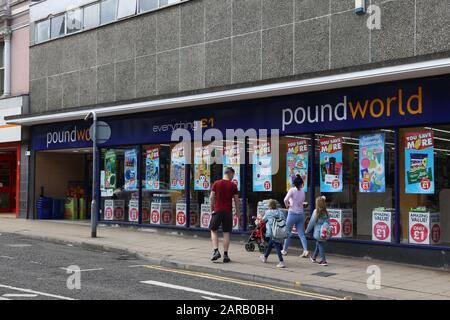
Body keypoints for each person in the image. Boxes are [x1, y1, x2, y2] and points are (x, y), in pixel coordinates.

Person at [209, 167, 240, 263]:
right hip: (227, 212)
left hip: (217, 211)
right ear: (230, 174)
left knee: (213, 230)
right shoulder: (233, 185)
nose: (232, 177)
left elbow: (211, 197)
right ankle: (225, 255)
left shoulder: (216, 183)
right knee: (226, 232)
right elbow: (236, 200)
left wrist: (212, 209)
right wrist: (238, 212)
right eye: (233, 175)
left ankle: (216, 251)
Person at [282, 175, 309, 258]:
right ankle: (305, 250)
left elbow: (285, 199)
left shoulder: (292, 190)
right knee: (301, 234)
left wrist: (287, 205)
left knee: (288, 232)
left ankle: (284, 250)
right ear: (301, 184)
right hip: (300, 214)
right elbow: (301, 202)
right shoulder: (302, 191)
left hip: (292, 213)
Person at [259, 199, 286, 268]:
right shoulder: (280, 212)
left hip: (272, 232)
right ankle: (265, 257)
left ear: (270, 206)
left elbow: (263, 220)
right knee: (270, 244)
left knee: (276, 246)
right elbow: (284, 220)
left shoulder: (268, 212)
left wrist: (260, 218)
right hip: (279, 231)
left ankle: (281, 261)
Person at [306, 196, 330, 266]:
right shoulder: (326, 212)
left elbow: (311, 222)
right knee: (318, 243)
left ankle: (323, 260)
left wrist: (307, 230)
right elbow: (328, 221)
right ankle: (313, 257)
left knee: (320, 244)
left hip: (318, 232)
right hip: (325, 232)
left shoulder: (316, 211)